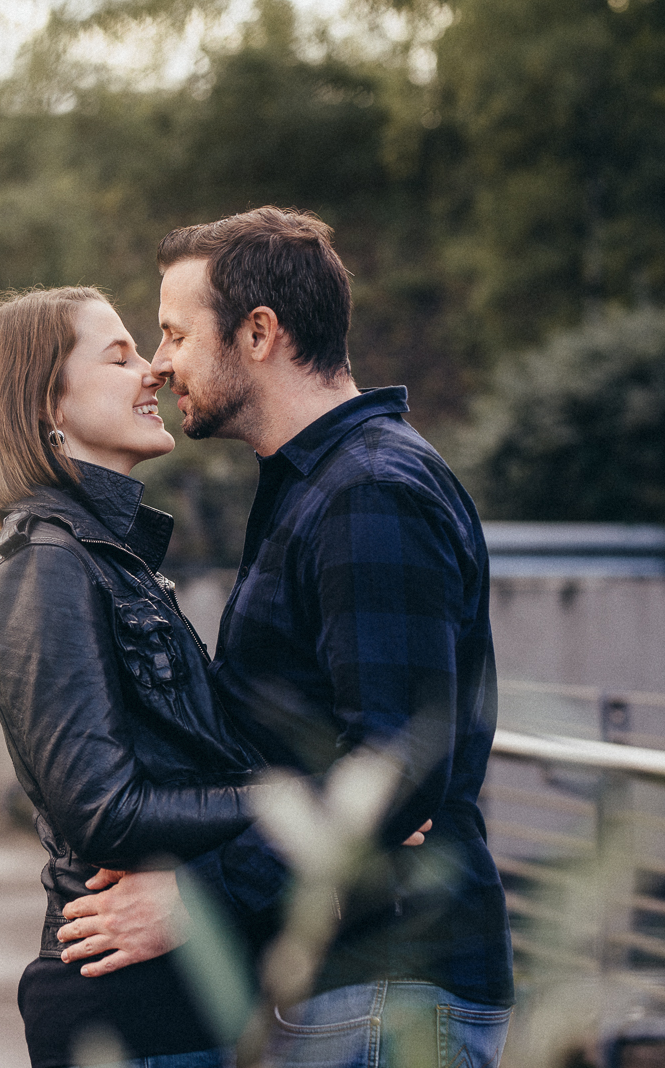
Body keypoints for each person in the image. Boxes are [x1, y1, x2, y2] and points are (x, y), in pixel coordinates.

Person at [53, 208, 514, 1068]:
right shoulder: (317, 487)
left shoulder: (368, 493)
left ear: (258, 332)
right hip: (346, 987)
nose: (159, 362)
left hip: (389, 988)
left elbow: (396, 773)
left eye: (176, 333)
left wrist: (201, 898)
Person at [0, 286, 278, 1068]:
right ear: (47, 406)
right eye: (120, 355)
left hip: (175, 1008)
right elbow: (102, 811)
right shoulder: (44, 566)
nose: (154, 372)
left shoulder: (107, 560)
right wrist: (295, 806)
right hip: (126, 1016)